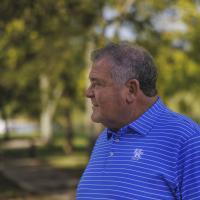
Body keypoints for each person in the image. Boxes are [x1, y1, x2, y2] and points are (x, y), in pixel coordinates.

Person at [76, 42, 200, 200]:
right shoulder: (105, 137)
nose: (88, 93)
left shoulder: (187, 140)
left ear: (131, 90)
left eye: (97, 84)